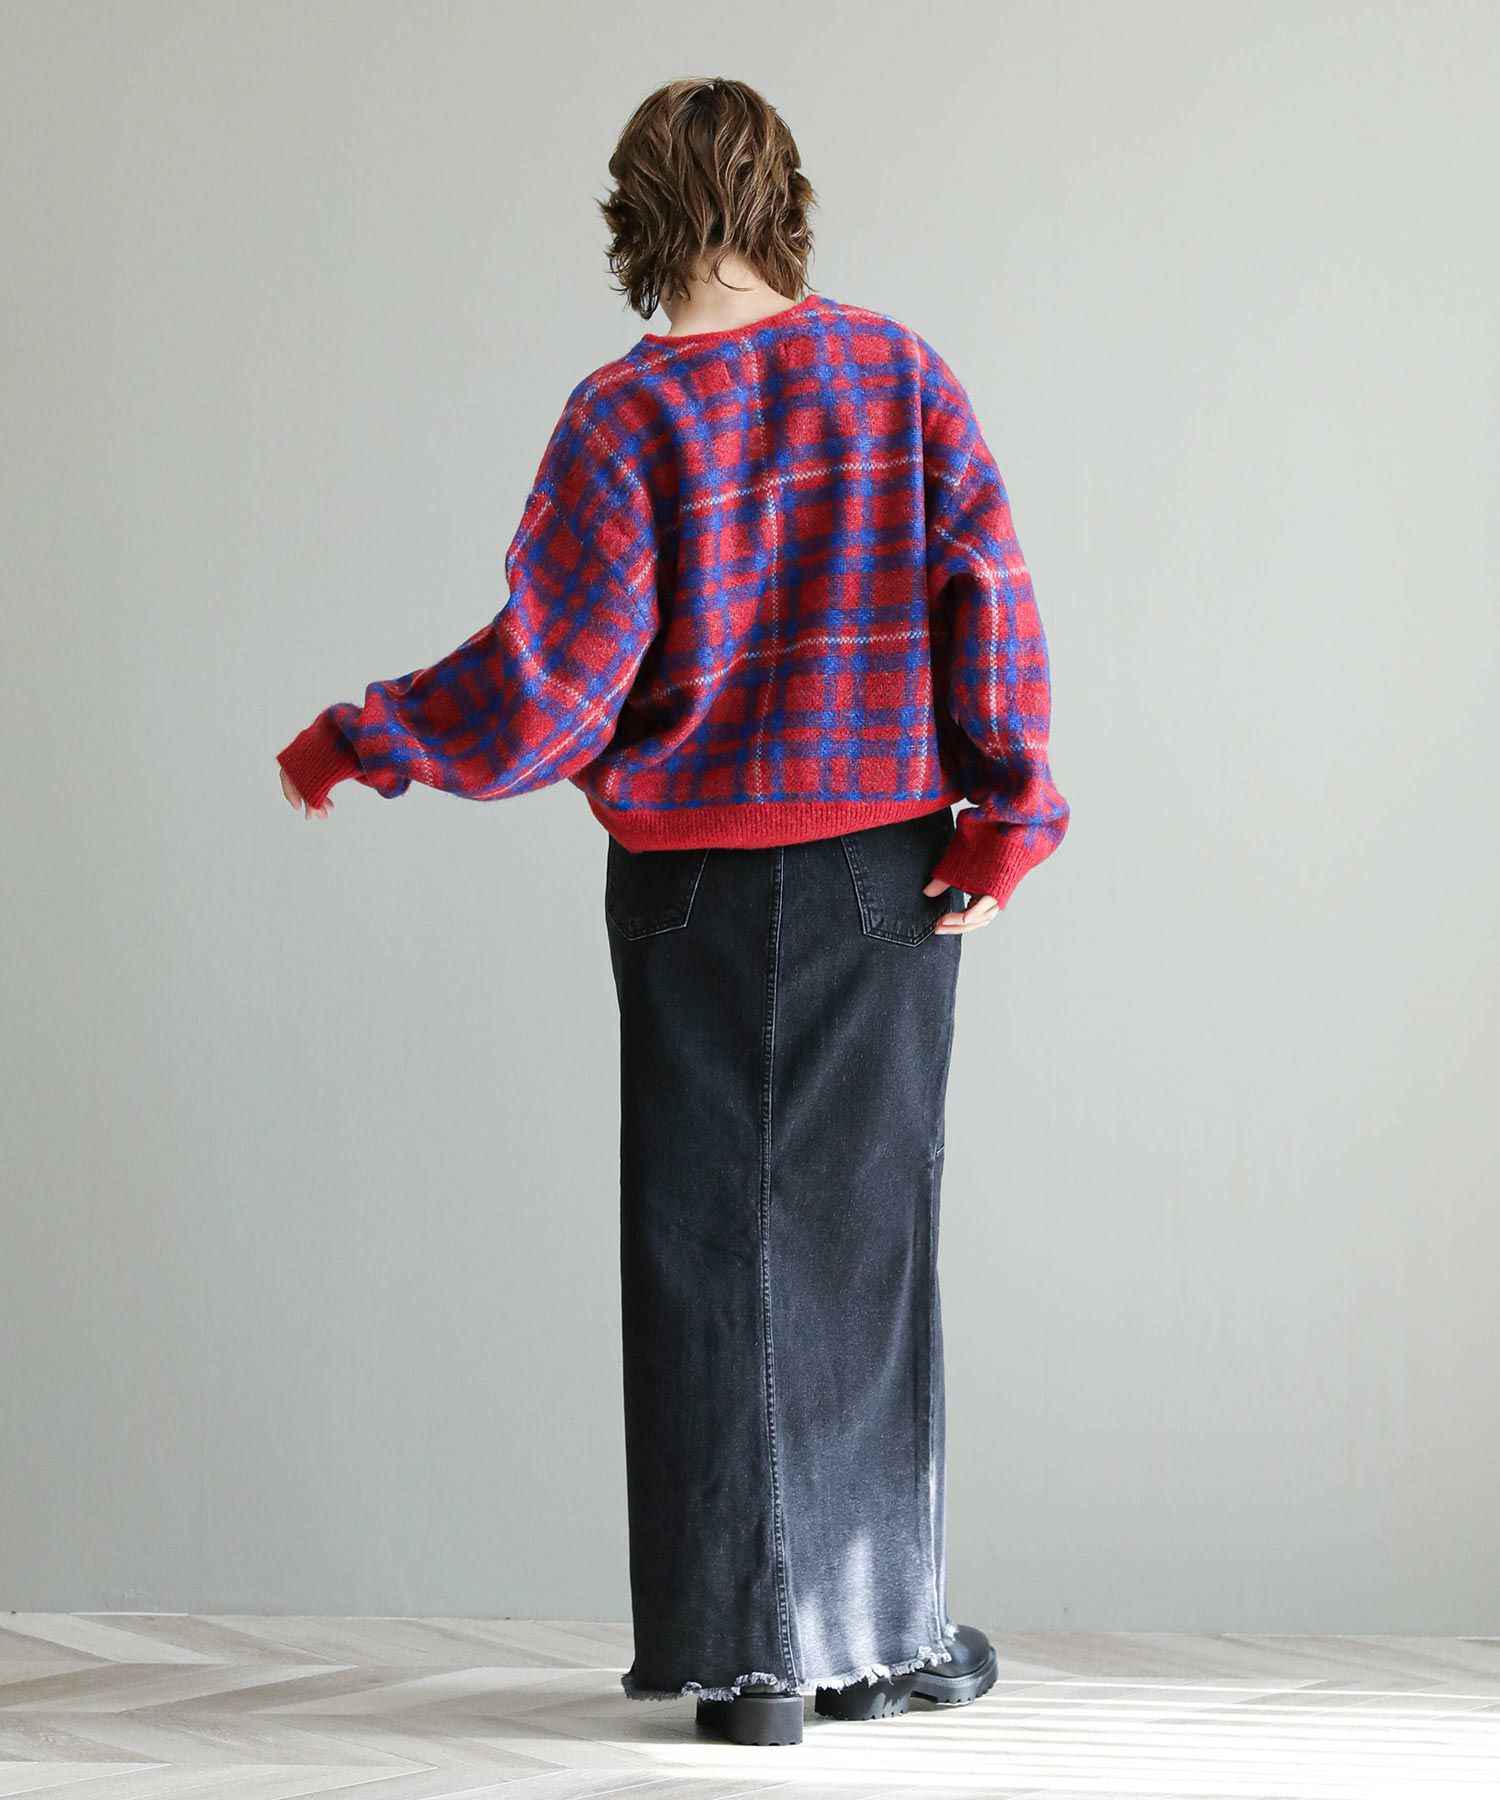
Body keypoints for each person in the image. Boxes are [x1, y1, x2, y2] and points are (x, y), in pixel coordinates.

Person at [277, 76, 1068, 1748]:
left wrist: (369, 736)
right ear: (786, 198)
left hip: (690, 887)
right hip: (884, 873)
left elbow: (549, 689)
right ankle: (872, 1641)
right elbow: (990, 597)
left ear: (635, 211)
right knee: (863, 1244)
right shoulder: (899, 376)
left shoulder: (623, 419)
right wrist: (1007, 823)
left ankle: (742, 1666)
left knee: (705, 1242)